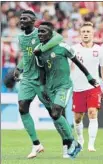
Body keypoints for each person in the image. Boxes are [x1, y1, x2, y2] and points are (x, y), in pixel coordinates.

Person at [34, 21, 98, 158]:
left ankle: (74, 142)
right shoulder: (38, 51)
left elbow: (78, 63)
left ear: (51, 33)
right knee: (57, 117)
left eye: (43, 31)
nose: (40, 34)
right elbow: (42, 72)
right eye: (38, 32)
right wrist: (42, 87)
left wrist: (89, 77)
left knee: (56, 113)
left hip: (64, 86)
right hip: (50, 89)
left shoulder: (63, 47)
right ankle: (67, 148)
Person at [14, 10, 63, 159]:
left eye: (25, 18)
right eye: (21, 18)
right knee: (22, 107)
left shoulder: (42, 32)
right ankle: (36, 144)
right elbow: (27, 56)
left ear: (34, 20)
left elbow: (59, 37)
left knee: (54, 112)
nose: (22, 20)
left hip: (44, 79)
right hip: (28, 78)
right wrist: (19, 68)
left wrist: (41, 48)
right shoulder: (21, 37)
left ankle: (69, 141)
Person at [71, 22, 103, 152]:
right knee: (77, 118)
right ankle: (80, 138)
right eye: (83, 32)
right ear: (80, 34)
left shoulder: (99, 50)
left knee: (92, 113)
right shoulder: (74, 49)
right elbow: (70, 68)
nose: (86, 34)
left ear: (93, 34)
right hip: (78, 88)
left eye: (88, 32)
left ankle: (91, 144)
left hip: (94, 87)